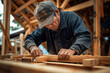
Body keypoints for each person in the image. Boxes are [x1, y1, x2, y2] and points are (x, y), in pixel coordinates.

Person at [23, 1, 91, 60]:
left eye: (50, 21)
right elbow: (30, 38)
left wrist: (72, 49)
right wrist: (32, 47)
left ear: (57, 12)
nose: (49, 26)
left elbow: (84, 36)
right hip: (56, 62)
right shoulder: (45, 27)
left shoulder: (72, 18)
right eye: (46, 24)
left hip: (76, 61)